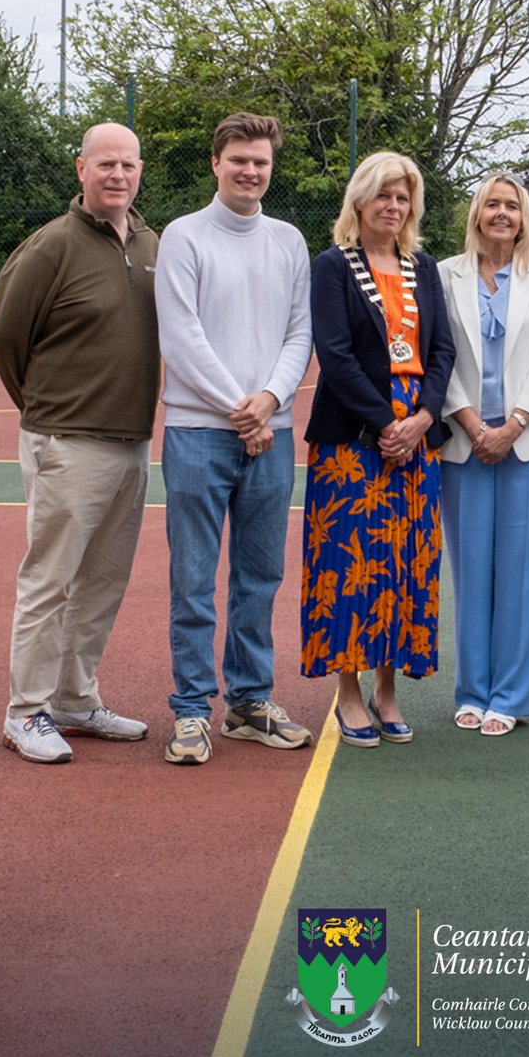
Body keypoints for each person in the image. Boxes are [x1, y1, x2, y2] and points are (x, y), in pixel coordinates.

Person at [0, 122, 157, 763]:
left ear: (140, 171)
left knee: (102, 582)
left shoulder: (149, 242)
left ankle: (74, 700)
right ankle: (24, 712)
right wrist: (44, 413)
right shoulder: (50, 247)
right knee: (49, 581)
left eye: (129, 165)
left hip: (132, 442)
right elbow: (7, 339)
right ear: (81, 168)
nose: (118, 175)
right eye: (106, 164)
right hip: (67, 442)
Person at [154, 112, 313, 765]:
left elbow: (299, 333)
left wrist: (269, 401)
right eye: (239, 159)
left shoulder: (289, 242)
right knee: (192, 579)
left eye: (261, 161)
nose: (251, 170)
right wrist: (238, 409)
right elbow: (181, 335)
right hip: (198, 434)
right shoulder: (184, 237)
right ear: (215, 163)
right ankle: (192, 711)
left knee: (260, 576)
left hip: (272, 435)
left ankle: (248, 704)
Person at [302, 152, 456, 747]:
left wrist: (420, 419)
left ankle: (388, 691)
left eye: (403, 199)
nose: (393, 207)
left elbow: (443, 351)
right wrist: (383, 425)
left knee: (404, 565)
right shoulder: (333, 265)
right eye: (384, 196)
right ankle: (347, 691)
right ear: (360, 201)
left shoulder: (424, 267)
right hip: (352, 439)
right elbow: (335, 355)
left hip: (418, 436)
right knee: (346, 566)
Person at [438, 173, 529, 736]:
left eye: (512, 205)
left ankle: (508, 697)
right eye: (492, 203)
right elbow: (438, 356)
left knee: (519, 573)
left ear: (523, 216)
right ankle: (471, 691)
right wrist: (470, 422)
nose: (502, 212)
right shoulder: (445, 274)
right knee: (471, 573)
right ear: (476, 212)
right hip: (464, 446)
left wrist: (512, 426)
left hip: (526, 444)